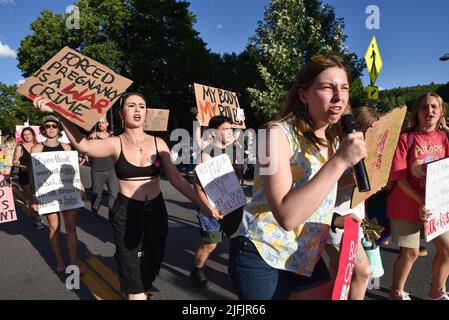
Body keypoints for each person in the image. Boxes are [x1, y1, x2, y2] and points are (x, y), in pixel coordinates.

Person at [33, 93, 219, 300]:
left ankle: (140, 284)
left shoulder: (159, 143)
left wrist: (202, 204)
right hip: (127, 212)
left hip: (156, 211)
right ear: (121, 113)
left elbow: (177, 179)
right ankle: (134, 287)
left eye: (142, 105)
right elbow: (83, 145)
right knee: (131, 267)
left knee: (153, 258)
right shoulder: (115, 143)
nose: (137, 110)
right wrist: (60, 114)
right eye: (131, 106)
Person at [227, 55, 367, 300]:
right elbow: (287, 215)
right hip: (263, 253)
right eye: (327, 87)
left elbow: (316, 188)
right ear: (304, 95)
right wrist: (340, 161)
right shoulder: (274, 135)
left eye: (344, 88)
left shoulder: (334, 139)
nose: (339, 96)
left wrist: (337, 214)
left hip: (304, 253)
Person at [387, 92, 449, 300]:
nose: (429, 111)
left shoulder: (444, 138)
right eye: (425, 107)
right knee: (411, 253)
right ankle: (396, 292)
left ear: (441, 113)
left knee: (448, 249)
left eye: (434, 107)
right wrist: (422, 200)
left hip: (436, 205)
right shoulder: (406, 139)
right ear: (417, 112)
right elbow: (399, 178)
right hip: (405, 204)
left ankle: (437, 290)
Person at [325, 106, 380, 300]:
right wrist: (351, 180)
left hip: (353, 218)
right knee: (363, 271)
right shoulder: (336, 147)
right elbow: (322, 184)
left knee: (339, 276)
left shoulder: (365, 151)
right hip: (338, 221)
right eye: (371, 131)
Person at [190, 115, 243, 288]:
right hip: (211, 207)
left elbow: (238, 178)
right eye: (225, 129)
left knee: (237, 240)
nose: (229, 132)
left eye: (230, 129)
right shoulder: (206, 153)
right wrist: (208, 207)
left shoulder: (235, 151)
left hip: (233, 205)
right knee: (211, 244)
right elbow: (197, 187)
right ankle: (197, 270)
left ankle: (237, 274)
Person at [30, 115, 84, 273]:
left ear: (59, 129)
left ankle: (73, 263)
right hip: (47, 193)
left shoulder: (67, 147)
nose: (51, 128)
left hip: (68, 192)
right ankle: (60, 261)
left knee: (71, 229)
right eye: (48, 126)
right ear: (43, 129)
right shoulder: (37, 148)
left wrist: (80, 186)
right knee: (54, 227)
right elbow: (35, 176)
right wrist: (34, 196)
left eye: (54, 125)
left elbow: (73, 170)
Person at [12, 127, 45, 230]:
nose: (27, 136)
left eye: (29, 134)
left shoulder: (39, 146)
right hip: (25, 175)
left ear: (33, 135)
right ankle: (37, 220)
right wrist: (22, 167)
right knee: (31, 197)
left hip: (38, 175)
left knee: (37, 196)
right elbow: (15, 161)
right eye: (25, 134)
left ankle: (36, 211)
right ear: (22, 136)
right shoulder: (20, 147)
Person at [87, 116, 119, 220]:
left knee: (114, 193)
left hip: (111, 169)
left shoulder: (112, 136)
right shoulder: (92, 136)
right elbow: (86, 149)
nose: (101, 125)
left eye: (103, 122)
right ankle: (95, 210)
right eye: (99, 123)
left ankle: (112, 214)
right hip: (97, 170)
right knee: (97, 194)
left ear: (107, 124)